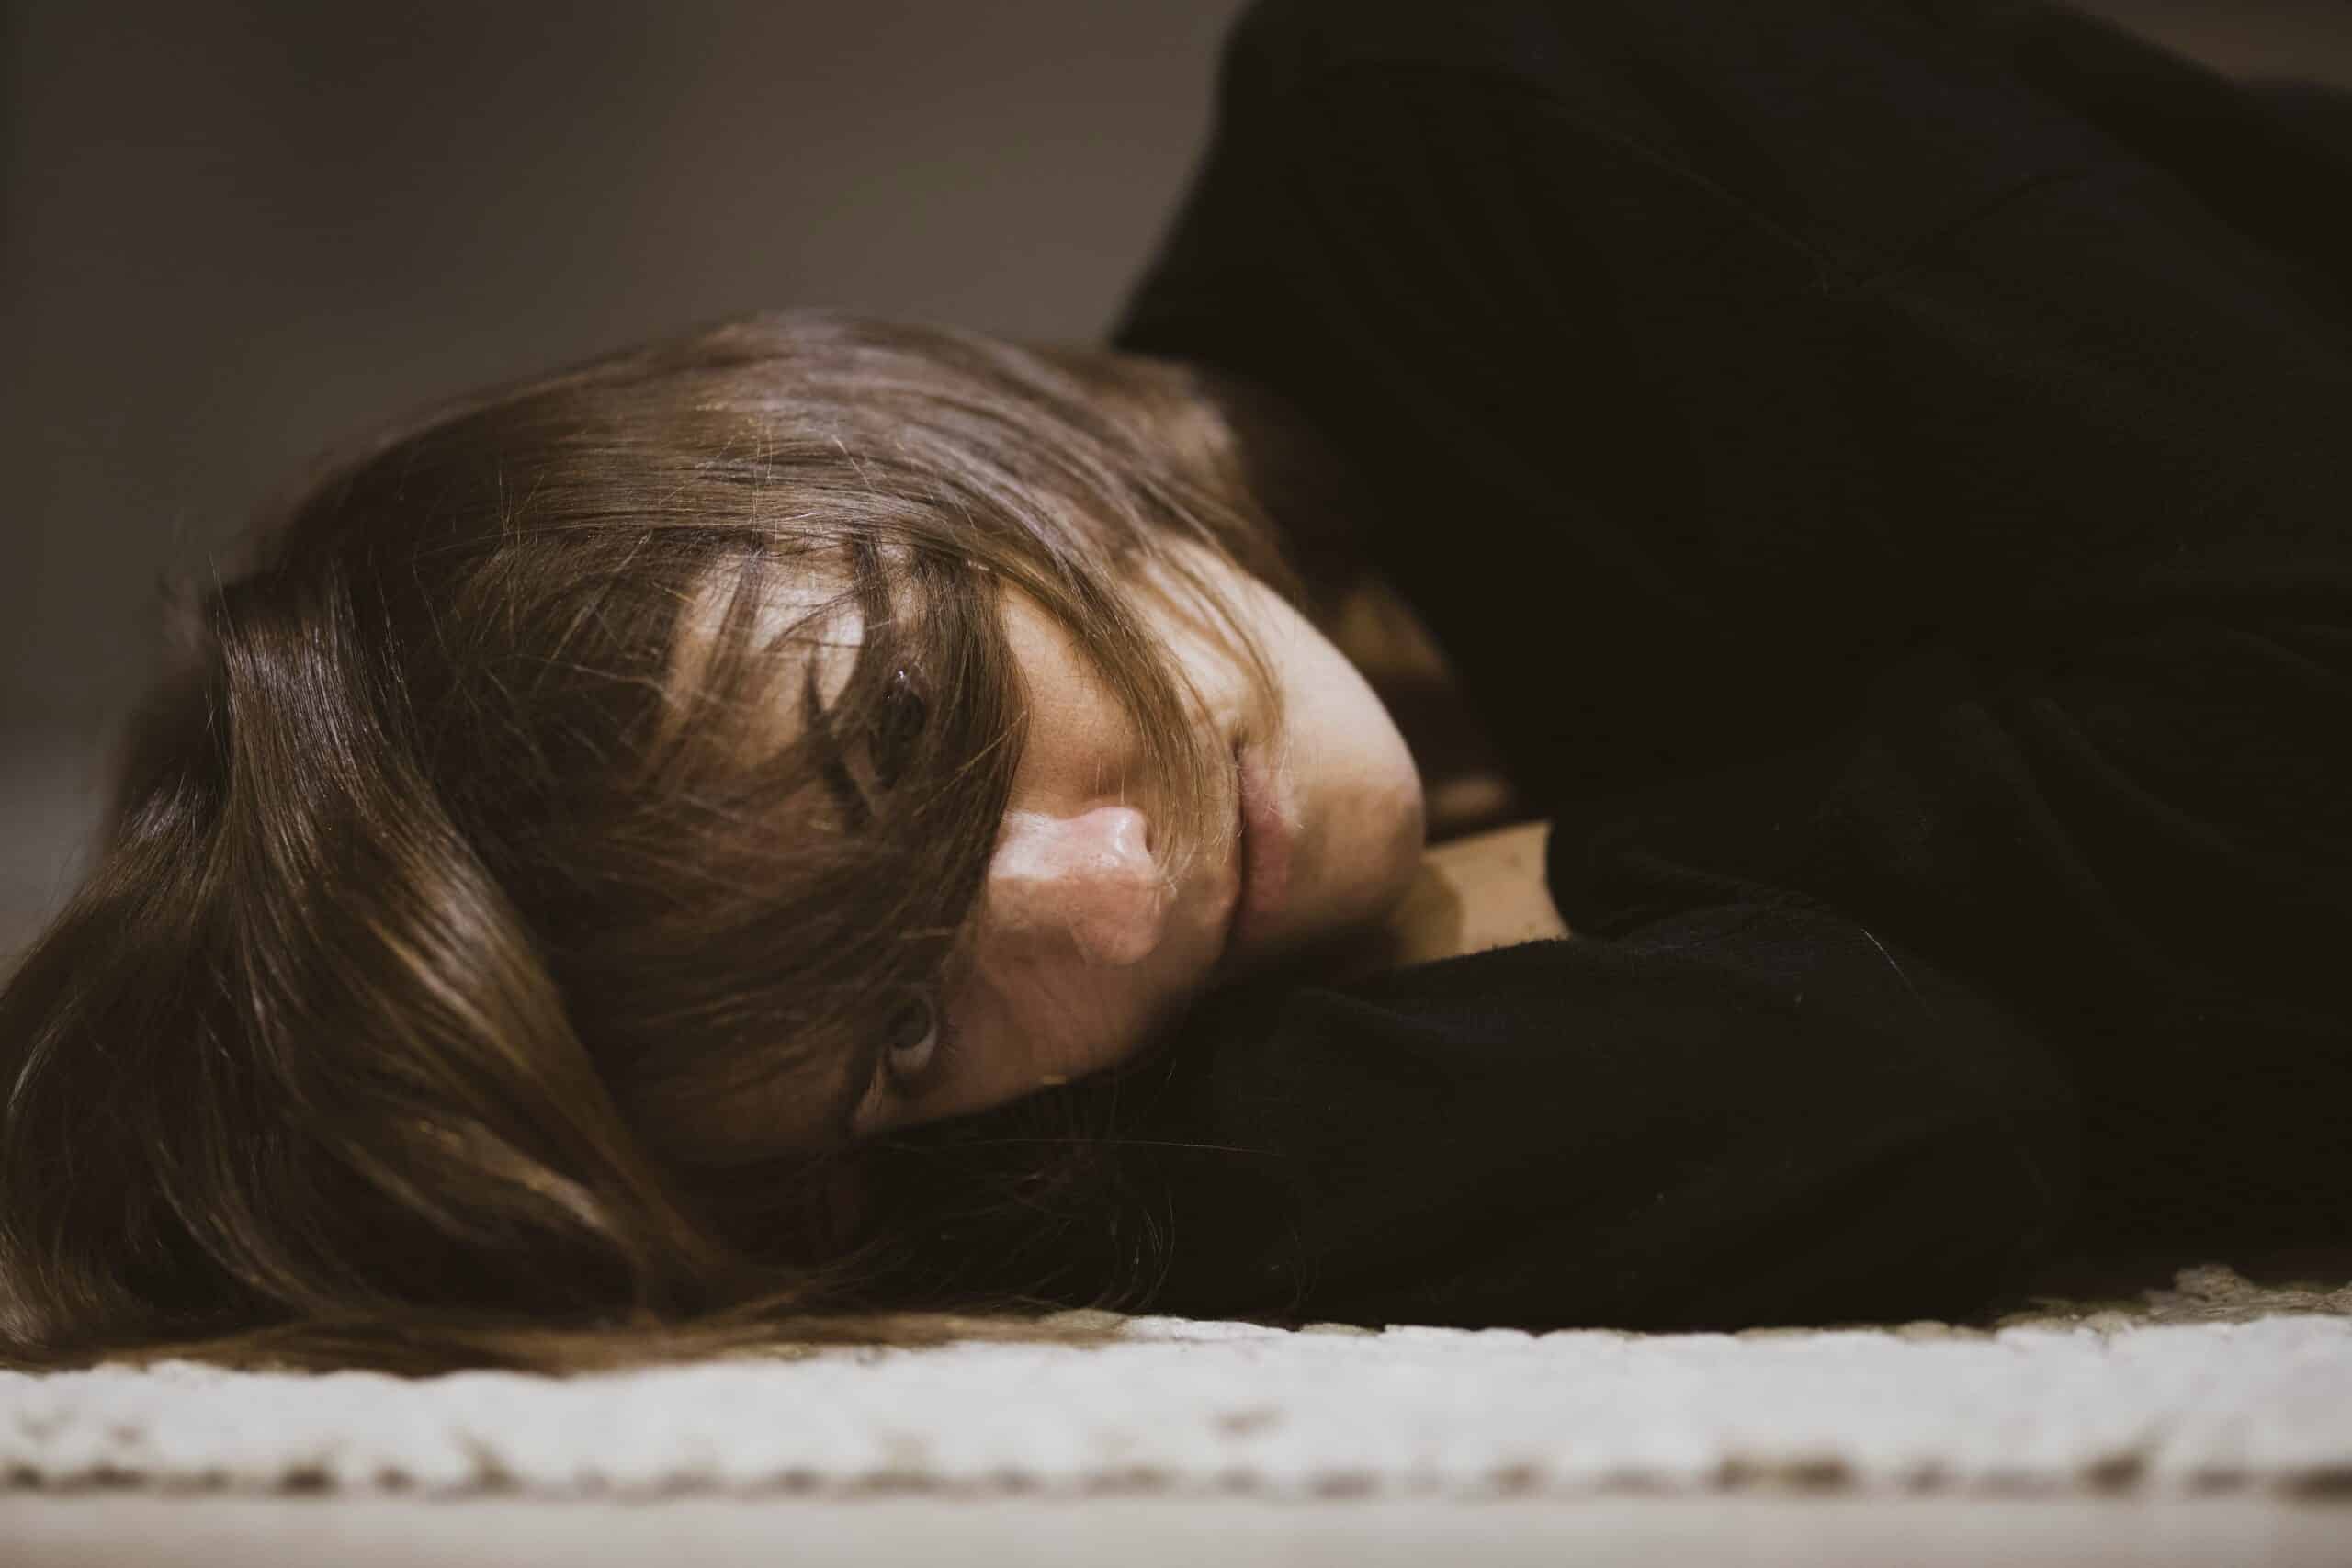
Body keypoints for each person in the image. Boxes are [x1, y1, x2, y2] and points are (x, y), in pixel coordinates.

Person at [3, 0, 2346, 1372]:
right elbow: (1904, 1107)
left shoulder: (1494, 98)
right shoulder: (1131, 1048)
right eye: (903, 1025)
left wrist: (1543, 877)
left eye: (912, 727)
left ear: (876, 434)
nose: (1115, 901)